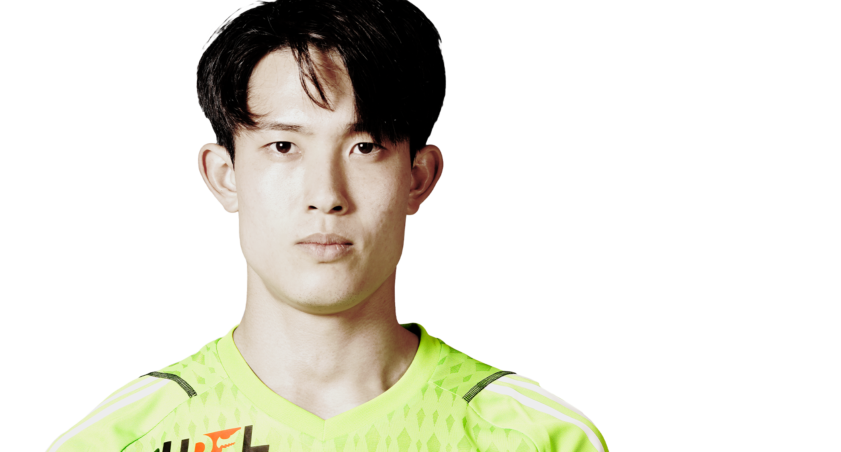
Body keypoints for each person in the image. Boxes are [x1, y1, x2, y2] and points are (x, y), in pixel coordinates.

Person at [47, 0, 609, 450]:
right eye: (284, 146)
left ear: (418, 178)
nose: (326, 196)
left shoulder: (538, 439)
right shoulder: (121, 440)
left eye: (365, 147)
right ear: (224, 177)